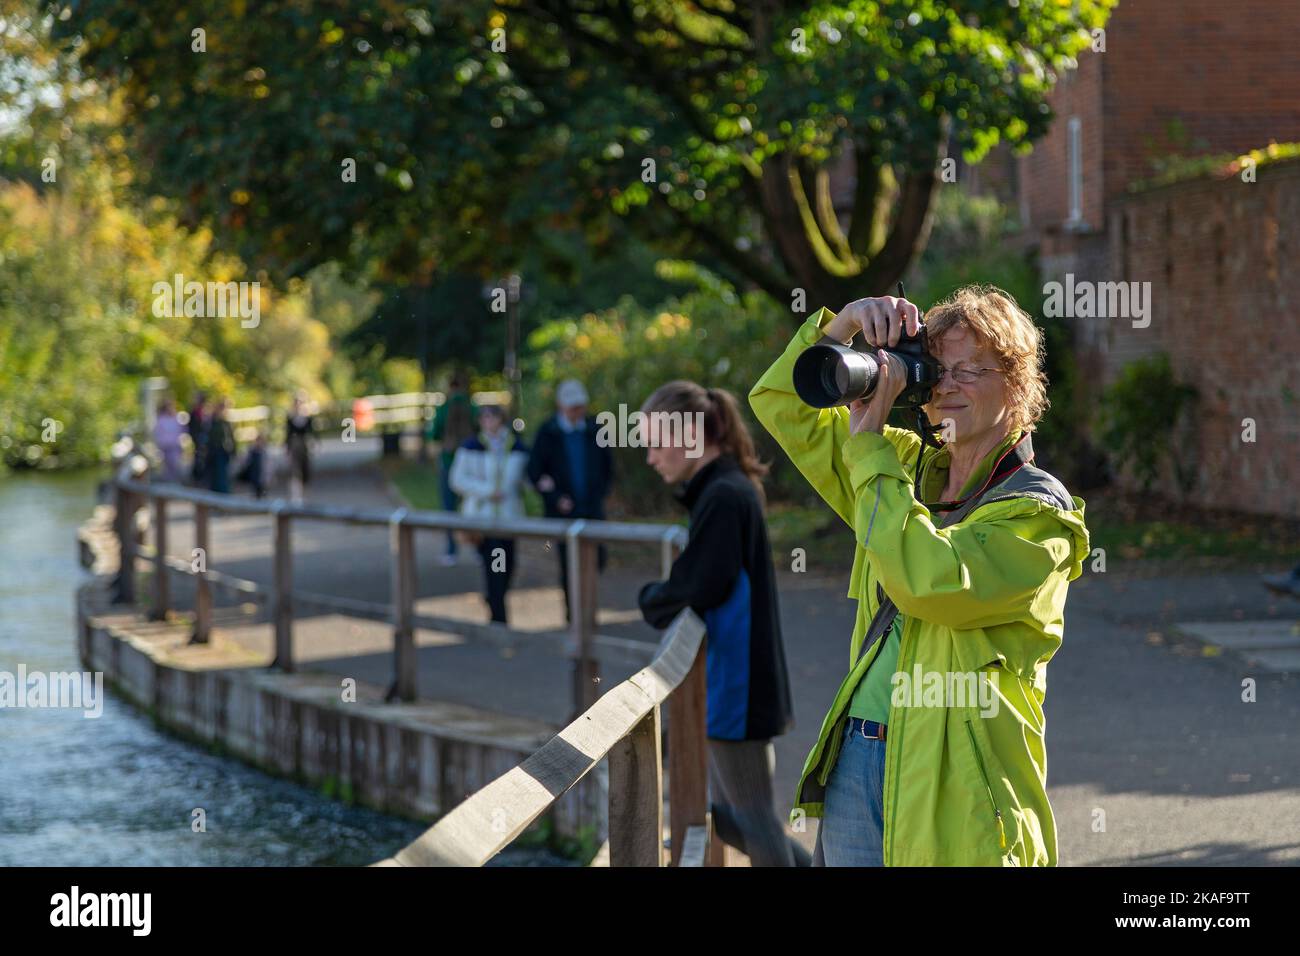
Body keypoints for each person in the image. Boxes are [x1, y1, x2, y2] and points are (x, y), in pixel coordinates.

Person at [750, 285, 1091, 867]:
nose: (949, 385)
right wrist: (847, 324)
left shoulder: (1040, 515)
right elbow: (782, 402)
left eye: (972, 369)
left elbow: (931, 582)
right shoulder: (900, 463)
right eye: (937, 369)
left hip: (960, 783)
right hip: (859, 754)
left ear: (1017, 386)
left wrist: (868, 451)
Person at [636, 381, 806, 867]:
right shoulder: (724, 487)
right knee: (736, 816)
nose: (649, 458)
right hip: (739, 682)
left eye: (654, 442)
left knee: (749, 820)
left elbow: (700, 584)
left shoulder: (724, 495)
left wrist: (650, 598)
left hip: (738, 687)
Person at [527, 378, 614, 621]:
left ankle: (589, 608)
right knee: (570, 565)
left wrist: (602, 492)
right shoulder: (548, 431)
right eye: (573, 407)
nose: (578, 411)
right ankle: (574, 616)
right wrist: (554, 498)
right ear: (561, 405)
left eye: (580, 406)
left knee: (597, 559)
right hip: (562, 512)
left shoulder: (595, 429)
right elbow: (535, 472)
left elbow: (608, 465)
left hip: (592, 508)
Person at [449, 405, 531, 624]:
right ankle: (499, 618)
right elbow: (457, 479)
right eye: (485, 418)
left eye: (493, 417)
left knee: (509, 565)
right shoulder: (471, 447)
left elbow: (526, 477)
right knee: (496, 565)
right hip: (483, 519)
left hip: (509, 517)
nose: (489, 422)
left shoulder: (516, 447)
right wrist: (486, 491)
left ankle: (494, 599)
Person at [430, 372, 476, 565]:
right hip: (471, 462)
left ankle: (451, 550)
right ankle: (477, 548)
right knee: (472, 506)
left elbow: (433, 434)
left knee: (449, 508)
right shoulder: (471, 407)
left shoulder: (443, 408)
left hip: (449, 461)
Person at [285, 392, 315, 503]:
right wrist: (287, 449)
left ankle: (304, 495)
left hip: (304, 446)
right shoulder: (290, 417)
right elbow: (287, 434)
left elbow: (311, 433)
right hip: (294, 446)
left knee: (305, 470)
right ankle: (296, 496)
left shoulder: (307, 418)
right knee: (294, 471)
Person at [205, 398, 236, 494]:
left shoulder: (226, 423)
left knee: (223, 475)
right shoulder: (213, 422)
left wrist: (234, 450)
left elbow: (231, 438)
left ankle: (223, 494)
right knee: (217, 475)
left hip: (224, 452)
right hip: (215, 451)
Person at [153, 397, 185, 483]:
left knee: (174, 464)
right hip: (165, 446)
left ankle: (174, 483)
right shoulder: (161, 419)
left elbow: (181, 431)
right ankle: (167, 483)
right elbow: (158, 432)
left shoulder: (176, 418)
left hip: (174, 446)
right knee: (166, 466)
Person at [236, 431, 268, 498]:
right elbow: (246, 461)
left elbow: (266, 465)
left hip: (260, 474)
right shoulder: (252, 451)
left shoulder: (264, 452)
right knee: (255, 489)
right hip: (254, 474)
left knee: (261, 489)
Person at [187, 390, 209, 484]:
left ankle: (202, 476)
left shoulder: (205, 411)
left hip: (204, 438)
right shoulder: (195, 412)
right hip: (198, 438)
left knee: (203, 457)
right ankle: (197, 477)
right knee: (199, 457)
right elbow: (192, 426)